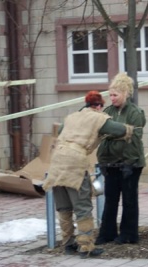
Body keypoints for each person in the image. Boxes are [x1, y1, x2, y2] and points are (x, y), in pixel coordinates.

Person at [42, 90, 134, 259]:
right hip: (75, 161)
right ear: (99, 106)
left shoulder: (71, 117)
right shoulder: (98, 117)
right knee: (82, 205)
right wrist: (130, 130)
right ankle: (86, 246)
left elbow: (61, 130)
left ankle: (68, 244)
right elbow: (118, 129)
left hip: (57, 160)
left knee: (64, 206)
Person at [95, 73, 146, 245]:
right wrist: (102, 160)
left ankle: (129, 234)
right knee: (110, 199)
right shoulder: (107, 112)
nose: (112, 98)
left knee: (129, 200)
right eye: (110, 95)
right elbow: (101, 136)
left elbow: (134, 137)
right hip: (111, 163)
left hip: (131, 163)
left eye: (115, 95)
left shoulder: (135, 112)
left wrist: (129, 162)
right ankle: (107, 232)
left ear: (125, 93)